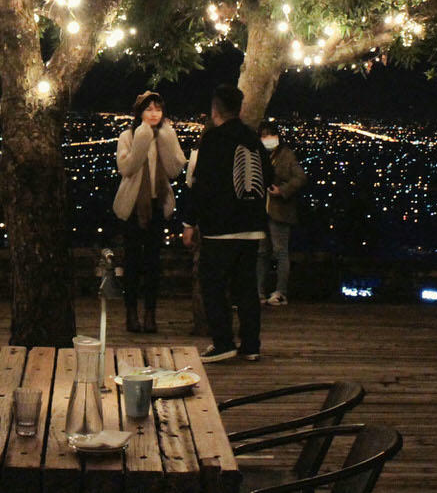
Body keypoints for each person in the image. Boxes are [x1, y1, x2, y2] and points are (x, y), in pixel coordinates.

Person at [181, 85, 268, 363]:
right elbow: (269, 173)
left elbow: (201, 184)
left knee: (213, 285)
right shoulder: (253, 139)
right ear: (240, 108)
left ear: (215, 109)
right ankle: (251, 344)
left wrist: (189, 222)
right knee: (246, 288)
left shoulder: (213, 140)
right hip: (252, 224)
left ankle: (223, 342)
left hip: (221, 226)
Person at [114, 91, 185, 334]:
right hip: (134, 206)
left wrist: (164, 140)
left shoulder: (167, 135)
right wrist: (142, 139)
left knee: (153, 263)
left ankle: (150, 313)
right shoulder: (128, 136)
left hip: (158, 204)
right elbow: (127, 167)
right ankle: (131, 312)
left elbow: (175, 169)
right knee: (132, 262)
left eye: (157, 109)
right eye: (148, 109)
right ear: (140, 112)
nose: (154, 113)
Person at [255, 121, 307, 307]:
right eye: (264, 135)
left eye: (270, 135)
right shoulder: (259, 155)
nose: (267, 139)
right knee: (261, 252)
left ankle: (280, 291)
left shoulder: (286, 155)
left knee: (280, 251)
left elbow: (300, 177)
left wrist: (282, 190)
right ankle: (259, 291)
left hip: (280, 210)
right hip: (262, 211)